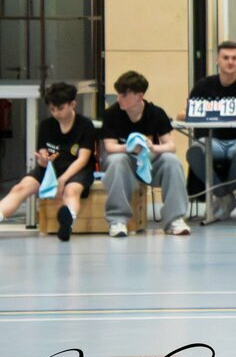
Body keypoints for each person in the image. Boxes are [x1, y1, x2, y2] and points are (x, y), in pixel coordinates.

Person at [179, 41, 236, 223]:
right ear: (217, 60)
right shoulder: (204, 85)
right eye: (226, 58)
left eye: (234, 58)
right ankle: (225, 196)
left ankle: (222, 196)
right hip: (214, 141)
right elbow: (182, 114)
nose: (230, 62)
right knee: (194, 151)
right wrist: (201, 112)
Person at [0, 83, 96, 242]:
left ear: (72, 104)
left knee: (71, 191)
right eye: (52, 109)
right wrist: (43, 160)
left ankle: (67, 223)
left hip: (77, 170)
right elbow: (43, 154)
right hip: (51, 168)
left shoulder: (85, 125)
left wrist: (62, 180)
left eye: (60, 108)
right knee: (20, 188)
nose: (56, 113)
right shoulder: (46, 125)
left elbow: (83, 159)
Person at [102, 70, 190, 238]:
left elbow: (171, 146)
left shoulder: (156, 113)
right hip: (126, 164)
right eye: (118, 94)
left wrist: (153, 148)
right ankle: (117, 220)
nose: (119, 98)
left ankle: (174, 220)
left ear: (139, 96)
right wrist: (130, 148)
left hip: (150, 162)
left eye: (123, 95)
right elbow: (110, 147)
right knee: (116, 160)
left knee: (171, 160)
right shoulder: (112, 114)